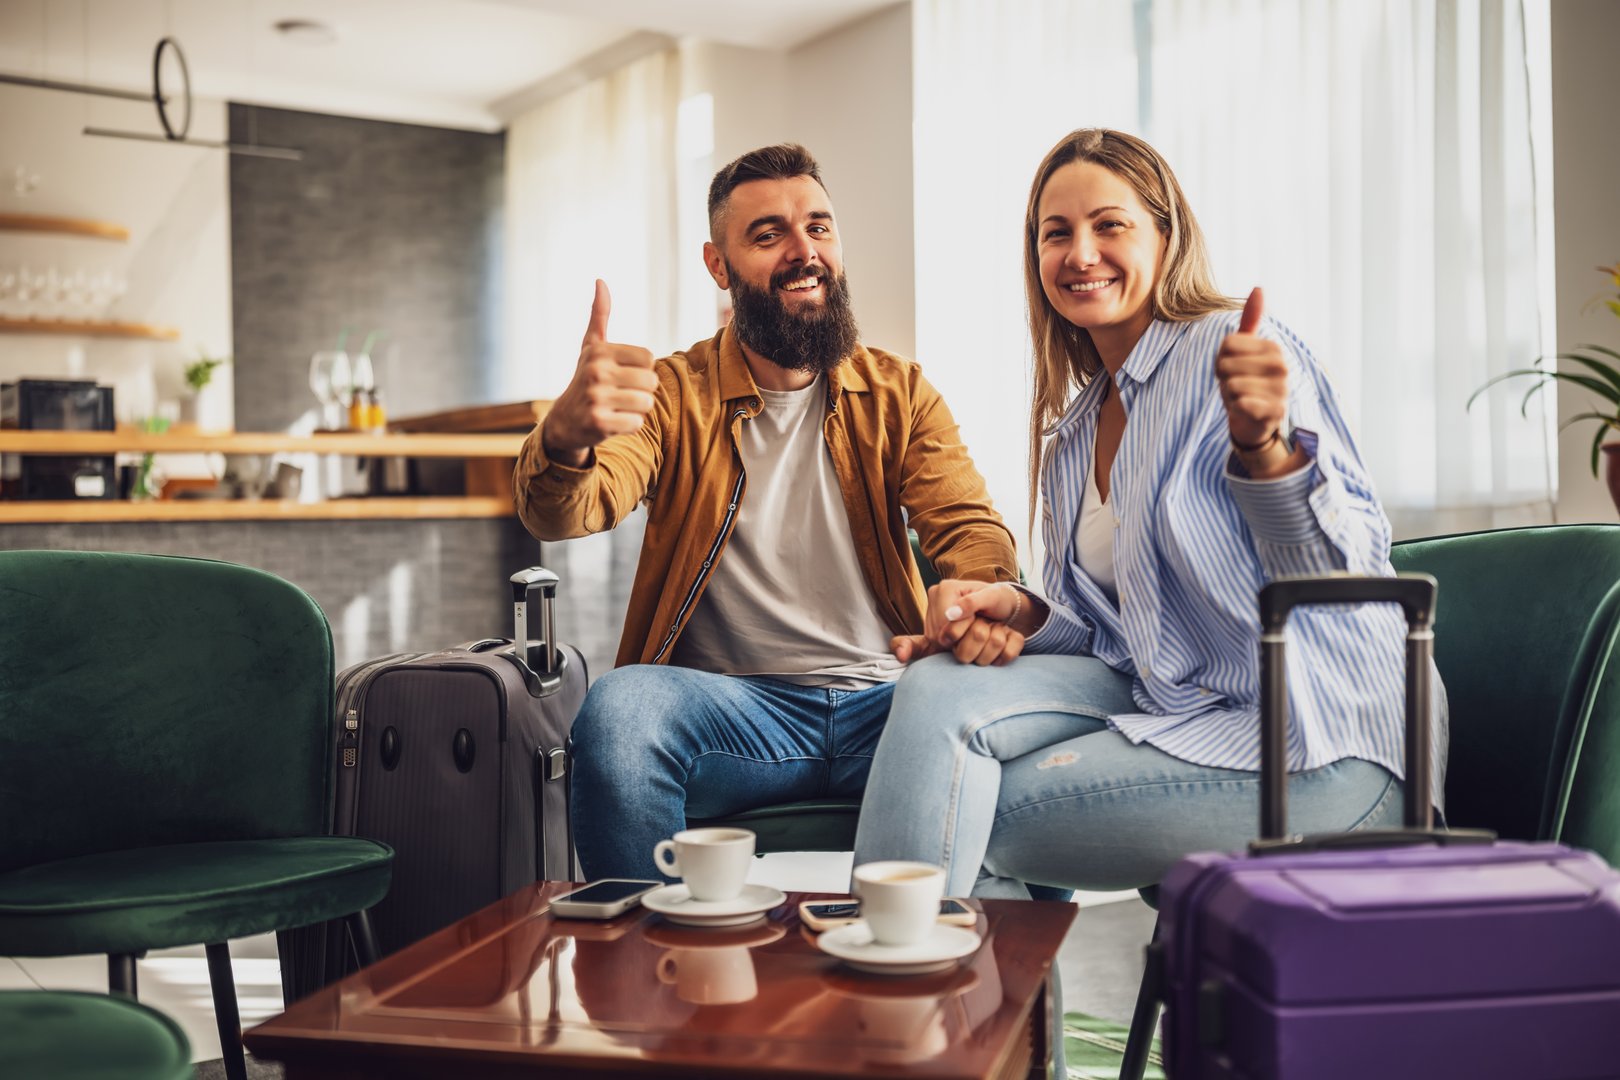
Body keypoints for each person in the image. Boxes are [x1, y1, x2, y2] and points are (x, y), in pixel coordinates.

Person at [853, 128, 1447, 900]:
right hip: (1173, 700)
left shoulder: (1236, 356)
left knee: (959, 811)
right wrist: (1023, 611)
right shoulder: (1074, 430)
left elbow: (1345, 572)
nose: (1080, 253)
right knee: (935, 688)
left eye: (1110, 225)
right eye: (1055, 233)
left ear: (1166, 237)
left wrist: (1266, 450)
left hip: (1321, 743)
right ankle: (928, 1002)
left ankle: (901, 1003)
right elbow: (1119, 634)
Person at [514, 143, 1018, 883]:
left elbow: (969, 525)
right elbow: (571, 509)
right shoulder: (671, 394)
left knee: (1026, 717)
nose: (803, 251)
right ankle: (651, 980)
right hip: (736, 717)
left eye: (819, 227)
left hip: (893, 706)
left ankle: (998, 980)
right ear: (719, 266)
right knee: (620, 713)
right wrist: (565, 439)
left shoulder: (899, 392)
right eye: (768, 235)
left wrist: (973, 594)